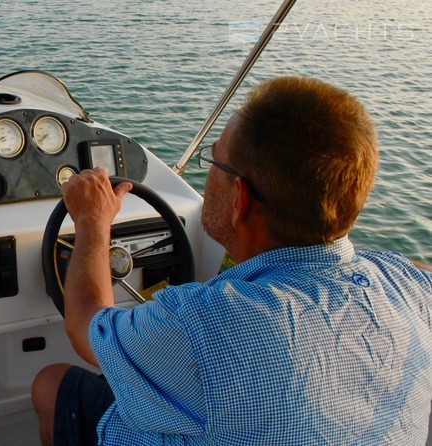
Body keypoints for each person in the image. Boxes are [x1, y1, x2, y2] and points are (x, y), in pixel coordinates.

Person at [31, 76, 432, 445]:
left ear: (239, 199)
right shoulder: (409, 287)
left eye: (214, 161)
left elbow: (86, 327)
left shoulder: (202, 324)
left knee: (41, 388)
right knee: (57, 385)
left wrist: (92, 221)